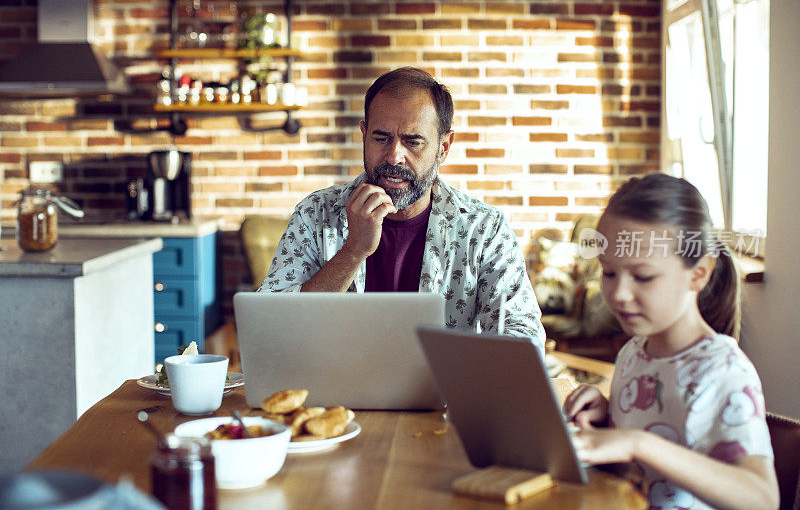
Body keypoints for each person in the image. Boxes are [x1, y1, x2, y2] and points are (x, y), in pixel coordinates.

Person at [259, 66, 544, 347]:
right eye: (381, 138)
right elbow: (271, 328)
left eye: (413, 142)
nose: (394, 156)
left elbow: (523, 332)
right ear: (364, 134)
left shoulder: (483, 228)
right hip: (336, 393)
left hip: (443, 394)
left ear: (443, 148)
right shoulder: (315, 213)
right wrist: (354, 250)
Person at [564, 173, 778, 510]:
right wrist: (607, 412)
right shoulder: (634, 352)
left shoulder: (723, 370)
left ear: (699, 274)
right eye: (609, 272)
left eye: (643, 276)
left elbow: (762, 499)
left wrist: (637, 443)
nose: (618, 294)